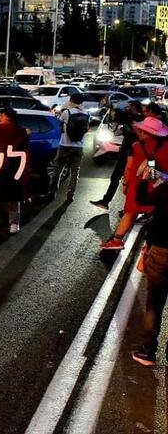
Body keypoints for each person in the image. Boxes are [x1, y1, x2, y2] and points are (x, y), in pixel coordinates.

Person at [101, 116, 168, 251]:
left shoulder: (136, 147)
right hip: (160, 188)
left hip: (138, 187)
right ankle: (149, 247)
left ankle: (116, 241)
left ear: (144, 132)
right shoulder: (166, 147)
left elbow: (129, 167)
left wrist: (125, 184)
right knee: (155, 216)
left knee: (130, 212)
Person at [131, 159, 168, 367]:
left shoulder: (165, 189)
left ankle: (147, 351)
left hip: (162, 251)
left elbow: (144, 198)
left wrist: (146, 179)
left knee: (154, 303)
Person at [0, 108, 28, 234]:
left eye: (1, 115)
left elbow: (23, 149)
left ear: (8, 117)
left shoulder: (19, 132)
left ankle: (14, 222)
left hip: (13, 167)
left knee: (13, 195)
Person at [92, 100, 143, 213]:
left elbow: (140, 136)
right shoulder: (129, 119)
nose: (127, 108)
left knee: (130, 182)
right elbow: (117, 132)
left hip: (133, 156)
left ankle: (129, 208)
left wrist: (130, 124)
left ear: (134, 107)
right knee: (116, 178)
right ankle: (106, 202)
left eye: (129, 106)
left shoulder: (140, 120)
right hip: (126, 153)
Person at [48, 93, 87, 202]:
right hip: (79, 146)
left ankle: (52, 193)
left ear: (71, 100)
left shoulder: (67, 112)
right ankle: (70, 194)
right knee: (75, 171)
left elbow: (60, 127)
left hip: (65, 145)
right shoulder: (86, 113)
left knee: (58, 169)